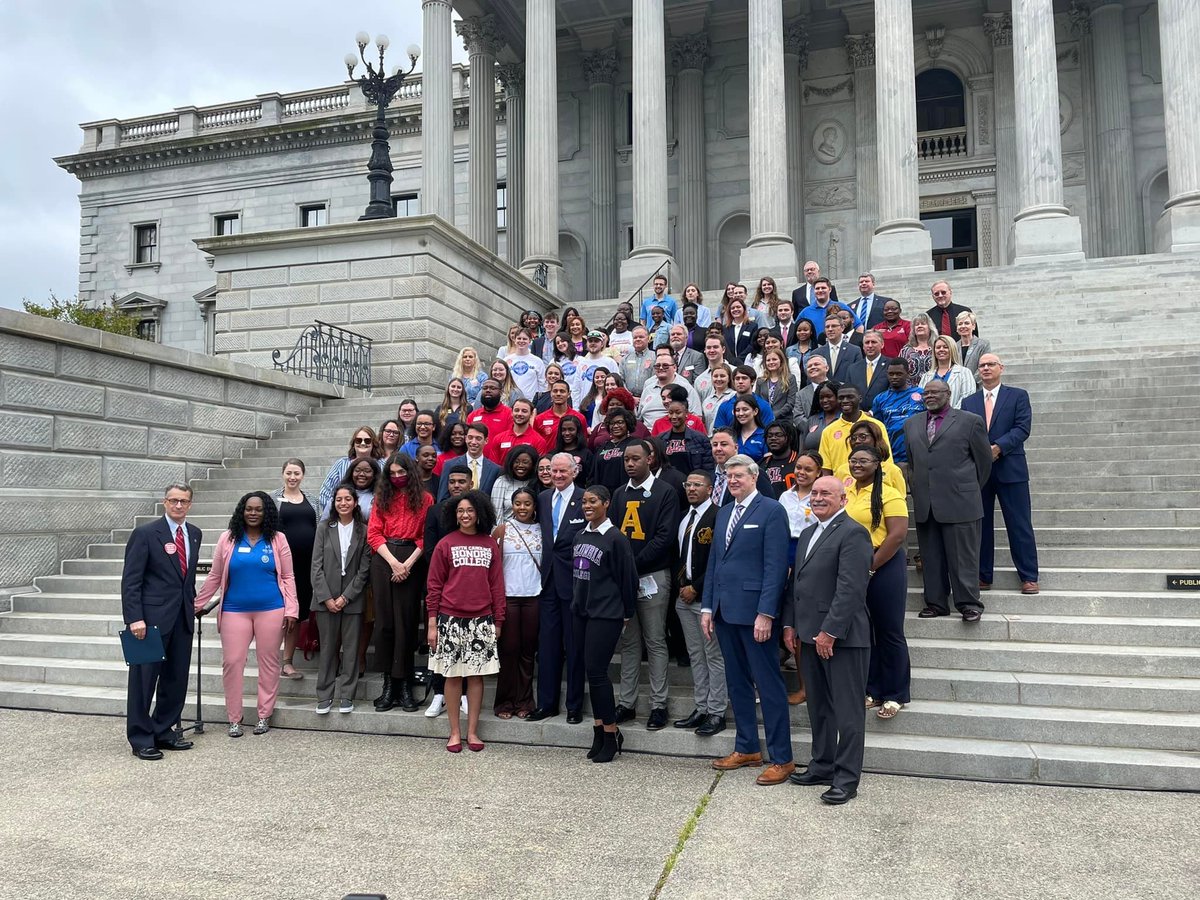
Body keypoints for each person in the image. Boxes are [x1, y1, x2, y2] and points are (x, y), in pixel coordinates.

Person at [702, 455, 795, 785]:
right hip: (726, 611)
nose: (733, 481)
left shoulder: (771, 510)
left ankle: (782, 757)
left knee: (768, 684)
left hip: (756, 614)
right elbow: (716, 562)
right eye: (729, 477)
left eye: (739, 475)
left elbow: (775, 567)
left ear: (754, 477)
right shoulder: (725, 511)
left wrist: (766, 613)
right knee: (737, 682)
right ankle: (747, 747)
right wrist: (707, 607)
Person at [781, 476, 873, 805]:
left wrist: (830, 631)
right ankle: (822, 765)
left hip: (843, 640)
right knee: (819, 708)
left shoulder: (853, 533)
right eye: (815, 493)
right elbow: (798, 587)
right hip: (808, 636)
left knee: (848, 714)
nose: (818, 498)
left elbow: (851, 589)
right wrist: (790, 625)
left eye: (826, 494)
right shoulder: (807, 533)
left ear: (843, 500)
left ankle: (846, 778)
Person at [194, 491, 299, 737]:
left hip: (271, 608)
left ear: (267, 513)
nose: (253, 513)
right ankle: (234, 719)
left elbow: (288, 576)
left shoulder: (278, 539)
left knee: (269, 663)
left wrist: (292, 608)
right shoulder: (228, 538)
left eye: (258, 509)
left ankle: (264, 715)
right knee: (232, 662)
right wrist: (196, 604)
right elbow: (215, 576)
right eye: (249, 509)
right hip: (234, 610)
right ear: (242, 511)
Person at [121, 482, 202, 760]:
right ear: (164, 502)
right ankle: (141, 738)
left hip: (181, 618)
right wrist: (134, 618)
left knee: (175, 679)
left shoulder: (194, 534)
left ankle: (164, 731)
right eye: (173, 500)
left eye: (184, 501)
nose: (178, 506)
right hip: (149, 621)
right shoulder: (145, 534)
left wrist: (193, 605)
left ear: (190, 504)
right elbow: (131, 581)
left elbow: (185, 579)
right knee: (143, 681)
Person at [905, 381, 993, 623]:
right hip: (926, 502)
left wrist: (966, 488)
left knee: (963, 557)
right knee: (931, 557)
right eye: (926, 393)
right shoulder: (911, 423)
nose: (930, 396)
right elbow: (913, 463)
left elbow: (984, 463)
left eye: (935, 392)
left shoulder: (970, 421)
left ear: (948, 394)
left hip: (961, 500)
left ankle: (969, 604)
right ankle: (936, 603)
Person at [426, 490, 505, 752]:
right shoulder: (445, 543)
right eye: (460, 510)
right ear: (454, 514)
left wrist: (499, 620)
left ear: (479, 513)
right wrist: (432, 622)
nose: (465, 515)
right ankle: (454, 733)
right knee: (451, 676)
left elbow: (497, 585)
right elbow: (434, 586)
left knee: (475, 677)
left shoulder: (489, 544)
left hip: (481, 618)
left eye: (470, 510)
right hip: (449, 618)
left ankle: (472, 732)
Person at [610, 440, 682, 729]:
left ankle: (658, 704)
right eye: (626, 458)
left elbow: (665, 538)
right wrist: (623, 571)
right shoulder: (618, 494)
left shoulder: (665, 492)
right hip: (625, 579)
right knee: (629, 642)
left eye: (635, 458)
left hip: (653, 575)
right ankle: (626, 703)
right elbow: (612, 534)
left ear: (650, 460)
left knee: (654, 640)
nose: (629, 463)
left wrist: (633, 565)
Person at [570, 485, 638, 763]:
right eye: (584, 502)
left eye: (593, 501)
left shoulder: (615, 538)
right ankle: (599, 729)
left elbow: (628, 580)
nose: (587, 506)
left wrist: (626, 613)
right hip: (582, 612)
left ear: (606, 504)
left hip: (606, 613)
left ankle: (611, 733)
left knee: (598, 673)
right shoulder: (579, 535)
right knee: (590, 672)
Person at [962, 354, 1040, 594]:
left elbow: (1022, 428)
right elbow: (966, 433)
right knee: (981, 525)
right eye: (982, 365)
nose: (985, 368)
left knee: (1019, 524)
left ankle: (1028, 576)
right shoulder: (968, 401)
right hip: (979, 472)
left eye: (990, 365)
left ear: (1001, 368)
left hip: (1011, 468)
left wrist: (998, 447)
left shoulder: (1017, 396)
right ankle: (983, 575)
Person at [844, 448, 911, 721]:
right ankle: (872, 688)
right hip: (854, 567)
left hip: (883, 565)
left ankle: (895, 693)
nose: (857, 465)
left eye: (863, 461)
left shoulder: (889, 493)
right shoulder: (848, 492)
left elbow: (896, 536)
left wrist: (871, 567)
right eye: (853, 460)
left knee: (889, 630)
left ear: (877, 464)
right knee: (865, 631)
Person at [368, 452, 434, 712]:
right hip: (384, 558)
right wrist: (393, 563)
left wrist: (407, 564)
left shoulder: (426, 499)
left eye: (401, 472)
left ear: (411, 472)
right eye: (392, 473)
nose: (397, 477)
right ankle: (388, 686)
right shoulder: (382, 497)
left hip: (412, 560)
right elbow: (373, 533)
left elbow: (425, 536)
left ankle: (404, 684)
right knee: (385, 623)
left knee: (405, 624)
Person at [530, 453, 588, 722]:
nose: (558, 475)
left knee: (574, 647)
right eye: (554, 471)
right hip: (547, 582)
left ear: (574, 472)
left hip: (575, 583)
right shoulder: (542, 499)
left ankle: (574, 706)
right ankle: (547, 703)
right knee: (548, 645)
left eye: (564, 471)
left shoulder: (585, 498)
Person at [672, 470, 727, 736]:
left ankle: (717, 712)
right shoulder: (685, 518)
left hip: (706, 596)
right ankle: (701, 706)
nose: (691, 489)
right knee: (696, 655)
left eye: (697, 485)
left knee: (713, 655)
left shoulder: (719, 515)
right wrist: (682, 586)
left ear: (710, 489)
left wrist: (698, 587)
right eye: (688, 484)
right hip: (684, 595)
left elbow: (720, 561)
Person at [310, 485, 372, 715]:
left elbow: (364, 570)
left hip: (352, 600)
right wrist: (326, 598)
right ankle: (324, 695)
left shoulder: (363, 530)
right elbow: (316, 566)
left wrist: (346, 597)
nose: (343, 503)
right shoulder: (324, 528)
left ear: (355, 503)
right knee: (327, 649)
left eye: (348, 499)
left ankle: (347, 695)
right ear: (333, 503)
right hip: (325, 600)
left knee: (352, 649)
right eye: (338, 499)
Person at [421, 463, 473, 718]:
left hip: (469, 590)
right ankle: (439, 692)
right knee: (439, 644)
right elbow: (430, 551)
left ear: (470, 484)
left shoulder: (477, 512)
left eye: (461, 482)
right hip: (442, 586)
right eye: (452, 481)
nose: (456, 485)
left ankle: (462, 694)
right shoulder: (434, 511)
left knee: (465, 645)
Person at [492, 487, 542, 719]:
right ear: (512, 505)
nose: (522, 508)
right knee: (509, 650)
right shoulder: (502, 530)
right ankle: (504, 702)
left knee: (528, 651)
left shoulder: (542, 530)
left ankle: (525, 702)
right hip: (509, 597)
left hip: (534, 597)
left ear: (534, 506)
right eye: (518, 503)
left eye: (527, 503)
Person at [270, 459, 318, 681]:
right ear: (282, 474)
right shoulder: (272, 499)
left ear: (303, 475)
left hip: (306, 565)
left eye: (296, 473)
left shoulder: (312, 500)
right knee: (277, 613)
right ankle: (270, 659)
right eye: (288, 472)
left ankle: (288, 662)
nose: (292, 477)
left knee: (295, 614)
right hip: (279, 566)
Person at [818, 384, 891, 476]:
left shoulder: (877, 425)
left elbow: (886, 460)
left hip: (871, 485)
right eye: (841, 398)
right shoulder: (828, 431)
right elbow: (826, 468)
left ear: (860, 399)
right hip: (841, 485)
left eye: (850, 397)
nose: (845, 401)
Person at [871, 360, 925, 469]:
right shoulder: (880, 399)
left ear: (908, 373)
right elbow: (878, 428)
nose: (894, 377)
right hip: (892, 454)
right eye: (891, 374)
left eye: (899, 374)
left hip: (918, 453)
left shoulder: (921, 394)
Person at [832, 419, 907, 495]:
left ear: (875, 439)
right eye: (854, 438)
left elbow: (900, 501)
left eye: (863, 437)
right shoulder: (842, 470)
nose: (857, 441)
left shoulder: (892, 471)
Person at [317, 426, 380, 514]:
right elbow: (325, 492)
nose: (362, 443)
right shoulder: (341, 464)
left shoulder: (382, 465)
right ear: (353, 444)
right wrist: (336, 513)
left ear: (373, 443)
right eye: (358, 440)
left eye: (367, 440)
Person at [638, 348, 703, 430]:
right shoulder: (648, 388)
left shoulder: (685, 387)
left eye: (665, 365)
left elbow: (696, 416)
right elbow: (639, 418)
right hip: (648, 436)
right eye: (657, 366)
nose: (661, 368)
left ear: (675, 368)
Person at [438, 422, 501, 500]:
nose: (473, 442)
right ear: (465, 438)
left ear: (486, 441)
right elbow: (443, 498)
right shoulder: (449, 465)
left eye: (478, 438)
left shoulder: (495, 469)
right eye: (470, 437)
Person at [658, 397, 715, 475]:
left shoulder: (700, 439)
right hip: (667, 484)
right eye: (670, 413)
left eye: (678, 412)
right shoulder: (660, 439)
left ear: (686, 413)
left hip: (692, 484)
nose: (674, 416)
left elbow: (708, 468)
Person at [919, 335, 978, 409]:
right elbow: (921, 399)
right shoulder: (926, 376)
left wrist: (949, 416)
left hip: (956, 418)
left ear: (952, 349)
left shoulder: (964, 373)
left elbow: (968, 398)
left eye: (945, 347)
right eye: (938, 347)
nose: (941, 349)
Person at [486, 397, 547, 465]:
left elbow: (538, 467)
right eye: (516, 410)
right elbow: (493, 466)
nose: (519, 414)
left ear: (531, 414)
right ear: (511, 412)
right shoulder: (499, 439)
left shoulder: (539, 441)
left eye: (524, 411)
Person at [813, 314, 866, 393]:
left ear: (842, 328)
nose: (830, 329)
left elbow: (858, 377)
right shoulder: (817, 353)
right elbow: (813, 379)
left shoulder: (854, 351)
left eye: (834, 326)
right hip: (824, 396)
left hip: (846, 395)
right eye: (827, 327)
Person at [489, 443, 539, 523]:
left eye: (525, 462)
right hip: (506, 531)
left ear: (533, 464)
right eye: (516, 462)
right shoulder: (502, 481)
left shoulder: (537, 482)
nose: (520, 465)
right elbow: (496, 514)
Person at [506, 328, 549, 401]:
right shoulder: (506, 360)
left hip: (531, 402)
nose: (521, 341)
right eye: (519, 338)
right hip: (510, 401)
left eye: (524, 339)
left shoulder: (537, 361)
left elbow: (542, 385)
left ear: (530, 341)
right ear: (515, 340)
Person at [756, 347, 796, 422]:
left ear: (781, 361)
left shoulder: (790, 378)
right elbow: (757, 401)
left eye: (774, 359)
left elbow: (791, 403)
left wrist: (774, 415)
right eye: (768, 360)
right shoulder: (760, 381)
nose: (771, 362)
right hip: (764, 419)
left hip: (784, 420)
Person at [760, 421, 799, 497]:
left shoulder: (799, 461)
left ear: (789, 438)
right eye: (769, 436)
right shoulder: (761, 464)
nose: (773, 438)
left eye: (778, 435)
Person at [801, 381, 842, 452]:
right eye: (821, 398)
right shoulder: (812, 420)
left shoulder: (845, 418)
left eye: (829, 396)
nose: (825, 400)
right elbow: (803, 449)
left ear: (838, 397)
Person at [553, 415, 593, 488]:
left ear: (578, 431)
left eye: (571, 429)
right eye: (564, 430)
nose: (567, 433)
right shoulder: (554, 454)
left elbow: (591, 479)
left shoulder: (586, 454)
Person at [955, 311, 993, 387]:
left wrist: (969, 382)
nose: (963, 326)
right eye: (960, 324)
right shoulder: (954, 346)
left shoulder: (983, 344)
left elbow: (984, 365)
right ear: (957, 328)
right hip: (959, 387)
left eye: (966, 323)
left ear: (973, 326)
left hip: (978, 386)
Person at [621, 325, 657, 397]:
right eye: (635, 337)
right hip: (629, 398)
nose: (638, 339)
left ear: (648, 338)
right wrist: (629, 396)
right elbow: (621, 379)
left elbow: (656, 379)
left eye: (641, 337)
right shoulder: (625, 359)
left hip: (650, 396)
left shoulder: (655, 357)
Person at [901, 313, 936, 387]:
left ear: (930, 328)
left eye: (923, 324)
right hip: (911, 392)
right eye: (917, 324)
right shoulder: (905, 350)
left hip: (934, 390)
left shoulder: (937, 348)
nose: (919, 326)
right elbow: (900, 371)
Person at [860, 330, 891, 412]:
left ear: (882, 344)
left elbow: (892, 392)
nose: (870, 345)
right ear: (863, 346)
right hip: (859, 417)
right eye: (867, 343)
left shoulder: (890, 365)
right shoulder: (853, 369)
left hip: (883, 414)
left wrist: (872, 412)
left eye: (873, 342)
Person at [732, 396, 767, 462]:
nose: (741, 413)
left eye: (745, 409)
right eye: (737, 410)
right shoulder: (731, 435)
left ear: (755, 411)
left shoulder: (764, 435)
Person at [701, 363, 735, 432]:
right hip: (711, 439)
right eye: (715, 376)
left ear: (729, 379)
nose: (718, 379)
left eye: (722, 376)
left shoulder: (734, 396)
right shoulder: (707, 400)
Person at [723, 297, 757, 362]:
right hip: (730, 363)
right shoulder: (725, 328)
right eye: (732, 308)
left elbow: (752, 345)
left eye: (738, 307)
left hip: (747, 361)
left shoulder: (752, 326)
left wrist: (739, 359)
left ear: (744, 309)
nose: (735, 309)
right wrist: (732, 360)